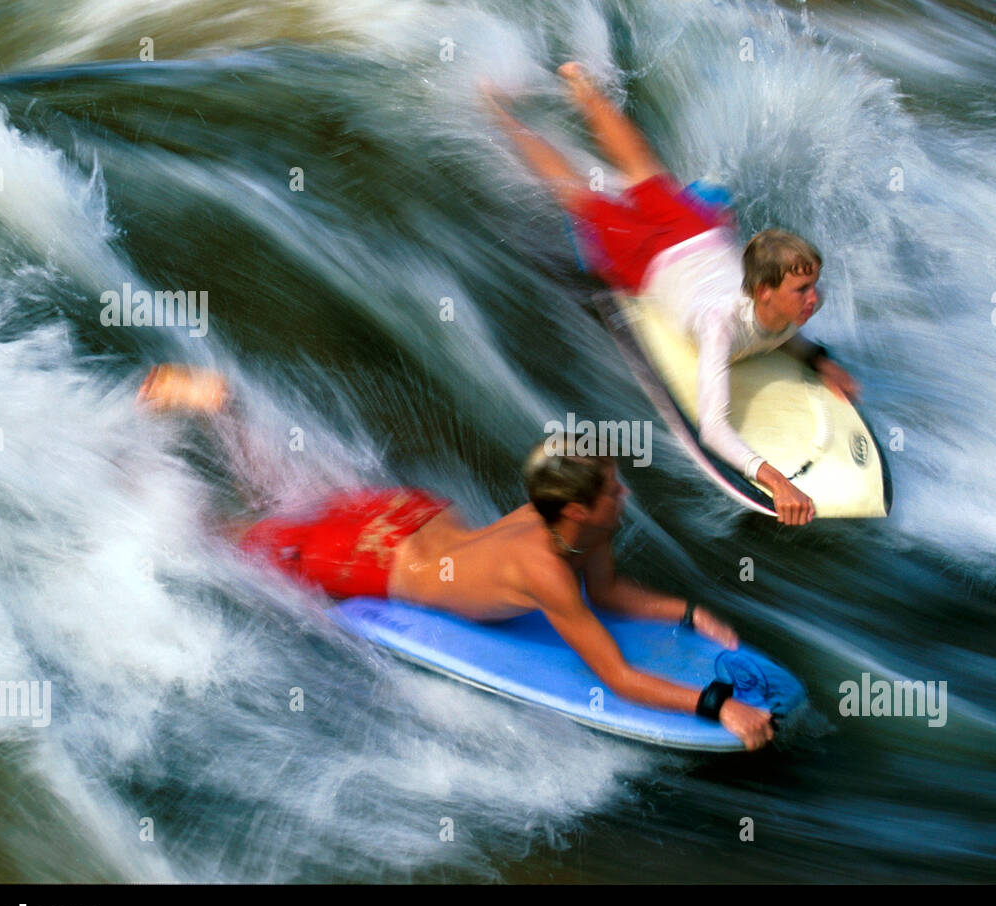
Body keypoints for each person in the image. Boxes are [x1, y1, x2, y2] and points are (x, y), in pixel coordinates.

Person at [137, 365, 775, 750]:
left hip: (406, 514)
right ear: (579, 510)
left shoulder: (574, 521)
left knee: (280, 498)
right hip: (372, 558)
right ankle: (132, 485)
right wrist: (720, 703)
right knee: (223, 537)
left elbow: (607, 595)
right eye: (612, 488)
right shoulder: (545, 570)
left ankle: (225, 411)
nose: (624, 493)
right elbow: (618, 679)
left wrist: (685, 611)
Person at [484, 63, 863, 526]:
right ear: (765, 293)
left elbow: (781, 333)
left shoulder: (779, 309)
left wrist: (821, 360)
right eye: (803, 289)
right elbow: (715, 429)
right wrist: (777, 480)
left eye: (813, 286)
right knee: (579, 197)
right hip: (646, 258)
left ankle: (579, 83)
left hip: (696, 233)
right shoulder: (718, 325)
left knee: (642, 165)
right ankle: (502, 113)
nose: (815, 299)